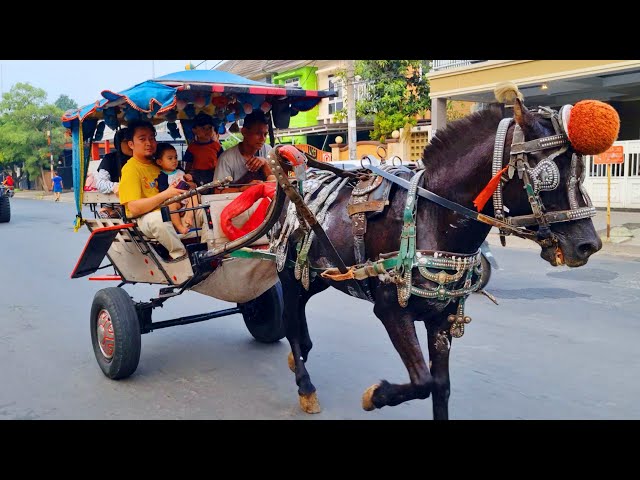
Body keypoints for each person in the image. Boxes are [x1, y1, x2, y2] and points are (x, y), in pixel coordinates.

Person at [118, 120, 191, 261]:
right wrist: (166, 194)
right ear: (131, 144)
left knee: (205, 208)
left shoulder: (160, 163)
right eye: (142, 139)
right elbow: (134, 208)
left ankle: (214, 253)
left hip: (172, 209)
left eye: (152, 138)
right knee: (158, 219)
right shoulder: (130, 169)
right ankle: (180, 257)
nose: (149, 143)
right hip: (145, 217)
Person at [213, 110, 275, 194]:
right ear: (244, 132)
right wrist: (242, 189)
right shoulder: (226, 158)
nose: (263, 139)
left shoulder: (267, 150)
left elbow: (275, 183)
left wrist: (265, 164)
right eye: (258, 133)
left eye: (265, 134)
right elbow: (217, 191)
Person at [155, 142, 199, 235]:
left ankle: (189, 216)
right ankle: (179, 227)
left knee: (194, 195)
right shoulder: (162, 176)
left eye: (175, 157)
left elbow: (193, 184)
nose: (174, 161)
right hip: (174, 200)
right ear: (159, 162)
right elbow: (163, 191)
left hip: (186, 197)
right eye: (170, 158)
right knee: (171, 206)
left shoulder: (180, 171)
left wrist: (190, 178)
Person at [95, 128, 133, 218]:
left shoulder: (146, 158)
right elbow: (100, 183)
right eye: (126, 141)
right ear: (118, 143)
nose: (131, 144)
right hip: (115, 202)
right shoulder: (110, 158)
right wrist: (117, 186)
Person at [183, 112, 224, 187]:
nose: (207, 131)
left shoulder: (217, 146)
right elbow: (188, 165)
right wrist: (186, 175)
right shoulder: (192, 148)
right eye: (203, 128)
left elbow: (222, 162)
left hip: (214, 174)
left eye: (209, 128)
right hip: (197, 176)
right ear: (194, 130)